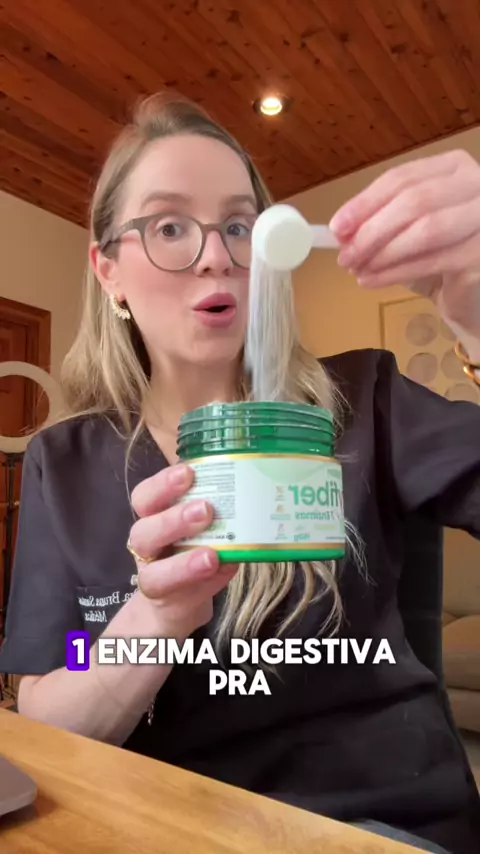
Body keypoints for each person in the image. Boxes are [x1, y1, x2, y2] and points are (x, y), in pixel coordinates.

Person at [1, 93, 480, 854]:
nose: (216, 255)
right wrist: (155, 621)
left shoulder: (367, 400)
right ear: (108, 270)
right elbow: (49, 714)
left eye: (238, 225)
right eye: (168, 226)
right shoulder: (65, 462)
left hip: (374, 827)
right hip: (157, 828)